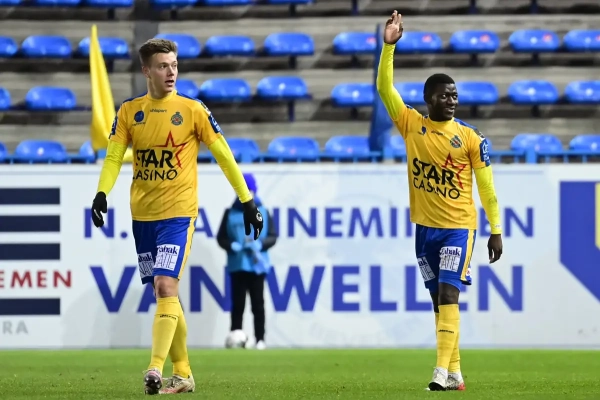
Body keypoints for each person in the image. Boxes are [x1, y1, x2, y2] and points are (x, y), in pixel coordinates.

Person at [89, 38, 264, 395]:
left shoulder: (193, 110)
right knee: (163, 293)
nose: (171, 72)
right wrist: (102, 192)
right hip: (143, 217)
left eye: (174, 65)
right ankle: (183, 374)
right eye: (162, 66)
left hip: (178, 215)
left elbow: (224, 154)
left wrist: (247, 200)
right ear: (146, 71)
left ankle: (155, 368)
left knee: (166, 286)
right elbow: (113, 157)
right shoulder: (129, 112)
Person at [376, 11, 503, 392]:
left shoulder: (471, 138)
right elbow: (384, 89)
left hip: (459, 228)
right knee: (438, 301)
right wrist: (388, 47)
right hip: (424, 230)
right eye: (445, 95)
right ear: (428, 98)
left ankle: (439, 372)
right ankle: (456, 374)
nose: (452, 100)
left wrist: (496, 230)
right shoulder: (411, 125)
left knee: (449, 293)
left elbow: (487, 189)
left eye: (455, 95)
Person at [217, 173, 278, 350]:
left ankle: (260, 339)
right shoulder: (230, 212)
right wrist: (231, 245)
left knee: (258, 304)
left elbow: (272, 236)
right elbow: (221, 237)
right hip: (238, 264)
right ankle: (235, 336)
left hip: (257, 265)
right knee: (238, 304)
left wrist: (261, 244)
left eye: (248, 190)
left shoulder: (263, 211)